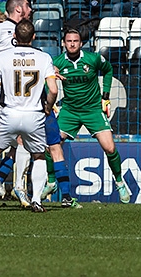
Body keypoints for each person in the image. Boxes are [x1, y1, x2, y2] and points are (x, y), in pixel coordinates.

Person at [0, 19, 57, 213]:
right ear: (34, 37)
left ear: (14, 37)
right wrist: (48, 107)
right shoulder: (44, 57)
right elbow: (54, 90)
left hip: (9, 113)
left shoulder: (3, 56)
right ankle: (36, 200)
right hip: (34, 114)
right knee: (39, 156)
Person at [52, 29, 131, 203]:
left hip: (93, 110)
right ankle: (51, 182)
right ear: (64, 43)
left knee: (110, 148)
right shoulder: (57, 63)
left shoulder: (93, 59)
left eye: (76, 41)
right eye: (69, 41)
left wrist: (106, 96)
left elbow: (108, 69)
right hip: (69, 111)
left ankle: (119, 182)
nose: (72, 43)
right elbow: (45, 80)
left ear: (81, 43)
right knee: (52, 144)